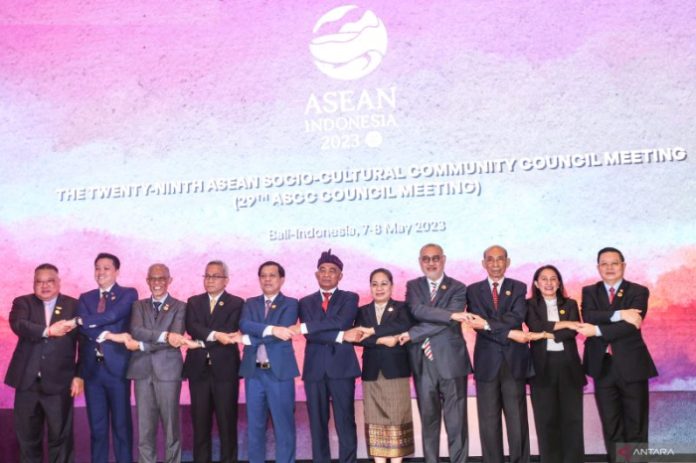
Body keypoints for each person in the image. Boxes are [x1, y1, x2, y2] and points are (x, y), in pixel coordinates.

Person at [576, 247, 657, 462]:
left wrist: (598, 330)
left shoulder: (638, 291)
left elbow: (632, 326)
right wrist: (621, 314)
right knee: (611, 424)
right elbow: (590, 315)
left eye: (614, 263)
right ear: (598, 267)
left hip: (632, 366)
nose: (609, 268)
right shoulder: (589, 291)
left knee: (636, 424)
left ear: (623, 265)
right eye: (604, 263)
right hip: (602, 366)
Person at [396, 243, 472, 463]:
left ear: (444, 259)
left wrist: (412, 334)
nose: (431, 263)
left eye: (435, 258)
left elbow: (448, 318)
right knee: (428, 420)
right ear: (420, 262)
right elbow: (417, 310)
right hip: (422, 361)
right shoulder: (413, 286)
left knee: (456, 421)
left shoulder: (458, 287)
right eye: (426, 259)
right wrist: (449, 315)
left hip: (452, 361)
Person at [5, 263, 83, 463]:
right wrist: (48, 331)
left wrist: (79, 375)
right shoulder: (23, 302)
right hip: (27, 383)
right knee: (28, 440)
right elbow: (19, 324)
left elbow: (84, 344)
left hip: (60, 383)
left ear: (59, 282)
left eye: (50, 281)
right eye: (39, 282)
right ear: (33, 284)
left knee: (61, 439)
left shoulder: (74, 305)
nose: (45, 285)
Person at [464, 245, 532, 463]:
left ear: (507, 262)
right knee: (488, 422)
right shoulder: (473, 290)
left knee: (517, 422)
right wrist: (509, 333)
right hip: (487, 362)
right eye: (490, 260)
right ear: (484, 263)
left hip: (514, 361)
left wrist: (489, 325)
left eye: (500, 259)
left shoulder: (519, 287)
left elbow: (517, 316)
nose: (495, 264)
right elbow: (477, 323)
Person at [294, 249, 360, 463]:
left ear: (340, 276)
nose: (326, 274)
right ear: (316, 274)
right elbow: (312, 336)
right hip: (314, 369)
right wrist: (342, 336)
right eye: (322, 270)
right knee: (317, 423)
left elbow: (341, 322)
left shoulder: (350, 297)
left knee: (345, 422)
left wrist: (307, 327)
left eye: (332, 271)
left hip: (342, 368)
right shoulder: (304, 302)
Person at [73, 252, 138, 463]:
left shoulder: (128, 294)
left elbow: (113, 315)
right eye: (97, 268)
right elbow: (84, 332)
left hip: (117, 370)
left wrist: (82, 320)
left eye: (106, 268)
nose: (101, 272)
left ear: (116, 271)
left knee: (122, 427)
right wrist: (110, 335)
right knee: (98, 429)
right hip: (92, 372)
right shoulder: (85, 297)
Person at [346, 268, 414, 463]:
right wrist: (381, 340)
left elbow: (402, 327)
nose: (379, 288)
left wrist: (372, 331)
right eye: (375, 284)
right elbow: (357, 337)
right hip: (371, 372)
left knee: (397, 419)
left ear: (392, 286)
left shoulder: (403, 308)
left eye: (384, 283)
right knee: (375, 421)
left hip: (396, 371)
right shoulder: (362, 311)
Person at [124, 263, 187, 463]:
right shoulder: (138, 305)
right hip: (142, 372)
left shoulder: (181, 306)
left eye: (162, 278)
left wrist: (142, 346)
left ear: (170, 280)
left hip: (168, 372)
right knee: (145, 429)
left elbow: (175, 337)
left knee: (171, 427)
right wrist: (165, 336)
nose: (157, 282)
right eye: (153, 278)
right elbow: (136, 331)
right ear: (147, 281)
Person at [182, 260, 244, 463]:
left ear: (225, 280)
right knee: (200, 424)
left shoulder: (236, 302)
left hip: (225, 370)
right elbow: (192, 327)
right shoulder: (193, 301)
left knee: (227, 424)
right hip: (198, 370)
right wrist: (217, 335)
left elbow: (231, 328)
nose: (210, 280)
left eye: (215, 276)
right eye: (207, 276)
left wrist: (205, 338)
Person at [239, 261, 299, 463]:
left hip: (279, 373)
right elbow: (245, 324)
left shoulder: (291, 303)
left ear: (282, 279)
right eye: (263, 275)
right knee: (255, 428)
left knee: (284, 428)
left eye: (272, 275)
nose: (267, 279)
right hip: (254, 372)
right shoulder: (250, 302)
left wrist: (248, 339)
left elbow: (283, 331)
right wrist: (272, 329)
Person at [525, 265, 585, 463]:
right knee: (546, 419)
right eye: (544, 279)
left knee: (572, 419)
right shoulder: (529, 305)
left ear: (559, 283)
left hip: (568, 366)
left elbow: (573, 330)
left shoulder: (570, 303)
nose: (549, 283)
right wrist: (564, 324)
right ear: (536, 283)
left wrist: (547, 332)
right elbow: (534, 325)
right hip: (542, 366)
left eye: (553, 279)